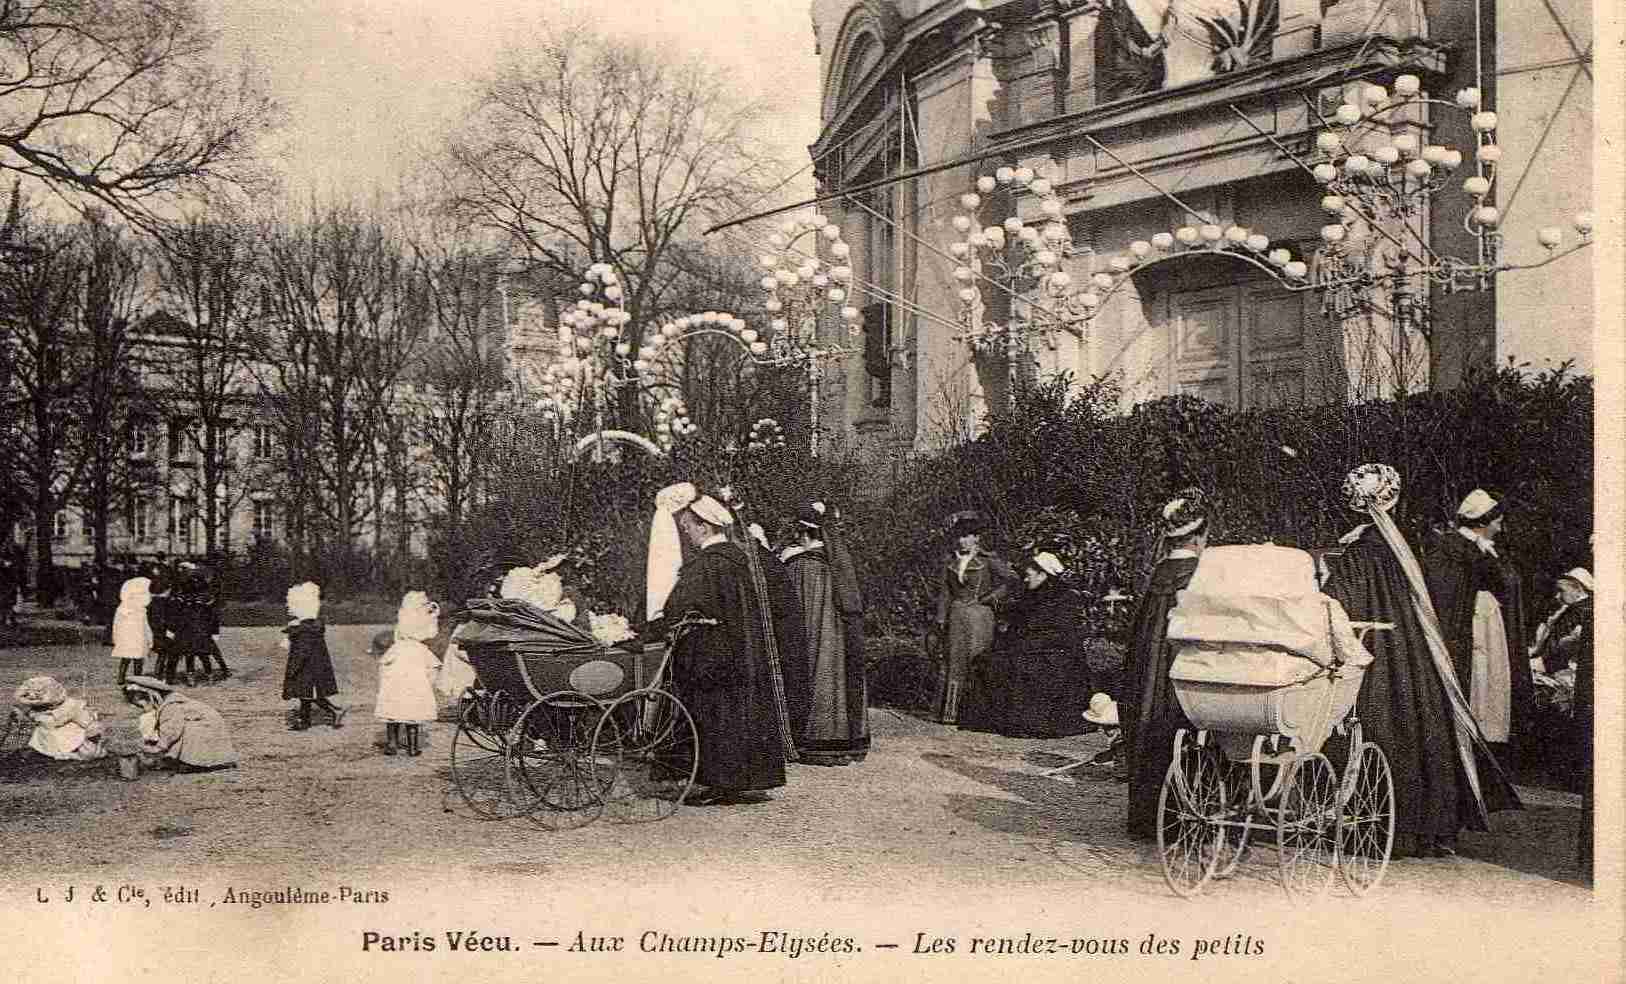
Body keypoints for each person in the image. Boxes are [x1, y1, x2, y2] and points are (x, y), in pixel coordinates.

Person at [1323, 464, 1520, 858]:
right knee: (1416, 724)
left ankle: (1378, 822)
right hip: (1409, 652)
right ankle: (1423, 825)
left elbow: (1337, 605)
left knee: (1371, 723)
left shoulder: (1358, 552)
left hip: (1370, 651)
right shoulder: (1401, 550)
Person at [647, 482, 786, 804]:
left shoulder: (710, 563)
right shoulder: (736, 560)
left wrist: (651, 628)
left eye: (689, 528)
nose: (688, 535)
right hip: (737, 650)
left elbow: (679, 604)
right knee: (734, 713)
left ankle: (722, 783)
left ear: (704, 525)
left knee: (717, 714)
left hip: (715, 652)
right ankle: (736, 779)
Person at [1123, 489, 1209, 840]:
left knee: (1147, 722)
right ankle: (1181, 814)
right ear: (1200, 536)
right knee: (1183, 725)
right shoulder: (1198, 572)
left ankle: (1147, 814)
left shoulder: (1159, 571)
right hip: (1180, 659)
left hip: (1147, 662)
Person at [1424, 489, 1532, 761]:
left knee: (1489, 679)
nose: (1500, 526)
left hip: (1487, 627)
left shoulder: (1482, 549)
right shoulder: (1454, 548)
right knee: (1478, 679)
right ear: (1483, 522)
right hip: (1473, 629)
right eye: (1497, 521)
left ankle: (1485, 743)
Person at [781, 503, 869, 765]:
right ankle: (846, 740)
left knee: (817, 676)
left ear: (804, 534)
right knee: (837, 679)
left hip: (815, 635)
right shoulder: (838, 562)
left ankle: (817, 739)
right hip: (840, 637)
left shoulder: (802, 566)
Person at [991, 550, 1089, 738]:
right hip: (1033, 648)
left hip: (1056, 654)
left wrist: (1028, 642)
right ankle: (1001, 719)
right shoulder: (1031, 595)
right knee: (993, 660)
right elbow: (1018, 622)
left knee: (1026, 666)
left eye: (1029, 576)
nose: (1026, 580)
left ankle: (1029, 723)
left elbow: (1062, 632)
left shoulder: (1064, 597)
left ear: (1043, 574)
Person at [934, 511, 1018, 725]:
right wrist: (941, 619)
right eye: (960, 536)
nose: (963, 540)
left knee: (979, 660)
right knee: (955, 662)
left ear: (977, 538)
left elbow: (1012, 581)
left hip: (981, 616)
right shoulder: (949, 561)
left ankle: (977, 714)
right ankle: (950, 713)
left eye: (968, 535)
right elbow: (945, 592)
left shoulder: (988, 560)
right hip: (957, 616)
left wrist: (991, 598)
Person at [1528, 568, 1593, 795]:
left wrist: (1539, 663)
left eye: (1561, 591)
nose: (1557, 596)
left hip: (1569, 673)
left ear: (1577, 589)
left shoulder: (1580, 611)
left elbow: (1563, 650)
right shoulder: (1574, 609)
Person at [822, 501, 868, 751]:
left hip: (849, 615)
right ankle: (854, 736)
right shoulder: (840, 545)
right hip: (853, 613)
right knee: (852, 678)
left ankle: (852, 737)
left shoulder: (835, 546)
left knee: (849, 677)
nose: (839, 526)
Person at [374, 591, 443, 757]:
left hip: (397, 668)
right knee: (414, 708)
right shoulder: (421, 648)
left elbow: (384, 665)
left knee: (393, 705)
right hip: (415, 672)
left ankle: (391, 744)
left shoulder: (397, 643)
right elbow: (432, 667)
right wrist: (433, 614)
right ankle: (412, 747)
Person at [121, 675, 237, 773]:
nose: (142, 707)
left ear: (152, 697)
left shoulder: (171, 706)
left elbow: (171, 731)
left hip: (206, 730)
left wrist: (158, 747)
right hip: (209, 730)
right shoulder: (169, 703)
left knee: (189, 731)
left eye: (142, 703)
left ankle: (198, 763)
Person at [280, 581, 346, 731]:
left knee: (308, 695)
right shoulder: (309, 626)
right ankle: (306, 721)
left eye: (291, 605)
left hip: (308, 667)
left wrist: (293, 670)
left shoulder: (305, 630)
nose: (288, 607)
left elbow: (302, 653)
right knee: (307, 695)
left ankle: (329, 713)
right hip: (313, 666)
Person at [10, 676, 106, 761]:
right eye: (30, 693)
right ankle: (49, 752)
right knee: (43, 739)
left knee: (87, 752)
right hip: (47, 739)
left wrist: (91, 730)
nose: (33, 695)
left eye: (38, 692)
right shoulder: (38, 710)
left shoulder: (70, 707)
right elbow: (19, 700)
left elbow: (91, 725)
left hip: (71, 739)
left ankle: (71, 754)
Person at [110, 576, 154, 686]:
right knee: (136, 659)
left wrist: (116, 637)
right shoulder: (139, 609)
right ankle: (135, 678)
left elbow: (116, 625)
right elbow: (145, 625)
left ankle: (123, 677)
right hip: (137, 639)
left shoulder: (123, 608)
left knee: (127, 658)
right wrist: (150, 638)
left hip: (129, 639)